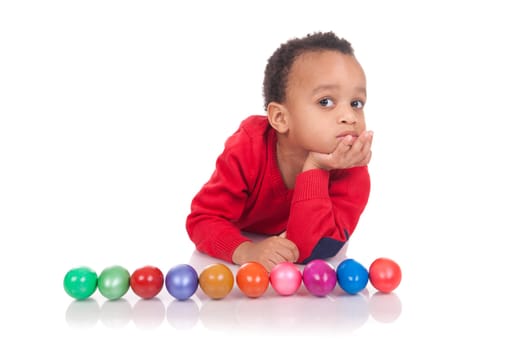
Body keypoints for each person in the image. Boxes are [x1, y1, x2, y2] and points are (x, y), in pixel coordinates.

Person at [186, 31, 373, 272]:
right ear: (280, 118)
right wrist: (246, 251)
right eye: (326, 101)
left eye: (356, 103)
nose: (349, 117)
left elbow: (311, 249)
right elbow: (203, 219)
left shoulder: (351, 166)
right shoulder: (247, 148)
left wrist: (316, 168)